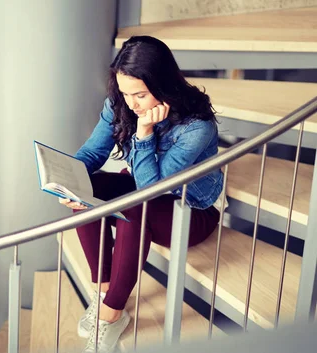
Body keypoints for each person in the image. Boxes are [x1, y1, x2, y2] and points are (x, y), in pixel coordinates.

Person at [60, 35, 224, 353]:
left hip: (192, 209)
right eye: (125, 93)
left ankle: (112, 315)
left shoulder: (197, 127)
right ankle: (105, 289)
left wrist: (144, 133)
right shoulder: (121, 104)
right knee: (85, 188)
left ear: (163, 86)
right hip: (146, 188)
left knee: (136, 209)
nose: (132, 104)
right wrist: (67, 178)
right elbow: (93, 152)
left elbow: (151, 190)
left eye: (141, 95)